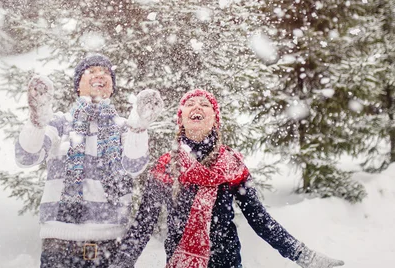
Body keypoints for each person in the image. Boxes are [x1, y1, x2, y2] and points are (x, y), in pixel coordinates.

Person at [112, 89, 345, 268]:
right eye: (190, 104)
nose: (197, 107)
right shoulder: (165, 167)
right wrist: (121, 264)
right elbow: (143, 224)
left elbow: (260, 220)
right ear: (180, 119)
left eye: (205, 104)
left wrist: (303, 256)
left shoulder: (232, 167)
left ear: (215, 119)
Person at [15, 54, 164, 268]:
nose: (99, 75)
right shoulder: (60, 123)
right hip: (59, 242)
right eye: (91, 71)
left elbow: (134, 165)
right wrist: (37, 122)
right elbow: (26, 157)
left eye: (105, 73)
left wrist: (139, 128)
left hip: (111, 244)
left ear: (111, 88)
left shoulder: (125, 127)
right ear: (78, 85)